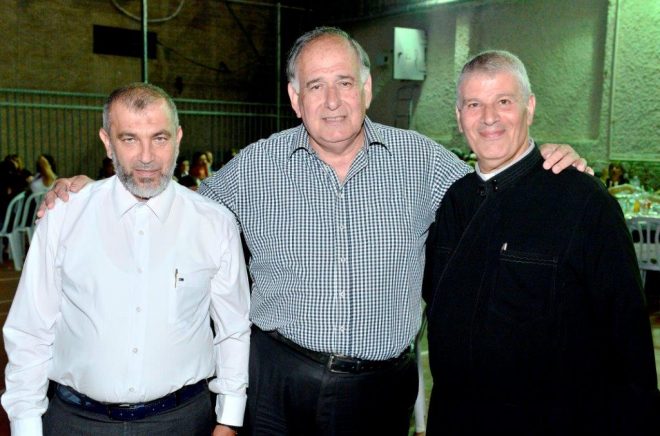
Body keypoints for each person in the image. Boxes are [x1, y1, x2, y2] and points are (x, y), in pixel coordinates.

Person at [40, 28, 589, 435]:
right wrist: (95, 189)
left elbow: (496, 189)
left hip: (380, 391)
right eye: (316, 86)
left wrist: (545, 159)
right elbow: (172, 211)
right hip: (276, 384)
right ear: (294, 98)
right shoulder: (255, 167)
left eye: (344, 83)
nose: (332, 101)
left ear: (367, 88)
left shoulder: (424, 163)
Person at [423, 50, 659, 435]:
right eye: (474, 104)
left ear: (529, 108)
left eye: (504, 101)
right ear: (459, 116)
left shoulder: (583, 201)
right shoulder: (454, 201)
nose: (489, 118)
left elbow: (628, 338)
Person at [2, 83, 251, 436]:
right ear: (107, 142)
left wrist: (229, 418)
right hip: (76, 422)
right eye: (129, 139)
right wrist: (26, 427)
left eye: (160, 138)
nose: (146, 156)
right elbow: (30, 330)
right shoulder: (64, 217)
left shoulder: (215, 223)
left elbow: (233, 328)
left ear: (178, 138)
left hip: (182, 421)